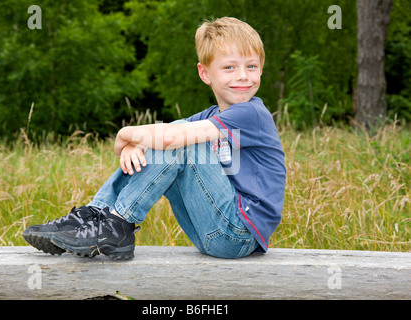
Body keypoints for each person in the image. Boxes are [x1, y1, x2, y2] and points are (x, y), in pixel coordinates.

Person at [23, 17, 286, 260]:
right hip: (207, 229)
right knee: (170, 139)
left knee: (178, 142)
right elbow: (164, 137)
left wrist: (124, 135)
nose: (243, 75)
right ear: (205, 73)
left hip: (239, 233)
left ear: (261, 69)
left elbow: (171, 139)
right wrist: (136, 146)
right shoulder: (209, 117)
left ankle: (118, 223)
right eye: (229, 67)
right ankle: (96, 215)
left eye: (251, 66)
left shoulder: (252, 114)